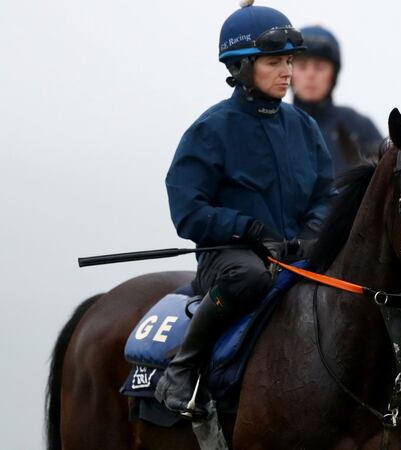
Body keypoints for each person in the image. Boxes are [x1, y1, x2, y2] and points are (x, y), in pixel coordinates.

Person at [155, 1, 335, 417]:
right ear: (240, 67)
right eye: (274, 62)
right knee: (250, 275)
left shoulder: (304, 127)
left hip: (294, 253)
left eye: (289, 61)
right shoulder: (211, 129)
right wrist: (250, 229)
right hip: (230, 260)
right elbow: (187, 210)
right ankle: (182, 369)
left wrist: (311, 233)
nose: (287, 72)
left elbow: (327, 195)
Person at [291, 25, 382, 175]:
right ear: (289, 72)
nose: (310, 75)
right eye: (302, 66)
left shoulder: (359, 127)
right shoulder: (274, 125)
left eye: (320, 67)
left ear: (333, 75)